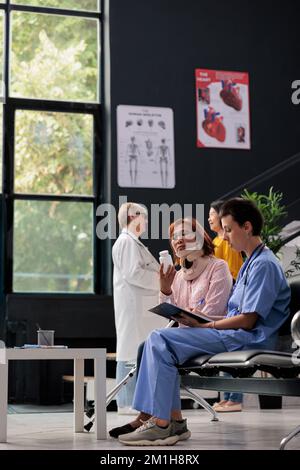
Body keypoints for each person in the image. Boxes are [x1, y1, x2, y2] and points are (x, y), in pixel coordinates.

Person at [116, 198, 290, 446]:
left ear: (247, 227)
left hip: (248, 338)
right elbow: (236, 315)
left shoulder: (263, 264)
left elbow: (249, 320)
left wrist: (206, 324)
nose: (225, 237)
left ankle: (162, 423)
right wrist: (201, 320)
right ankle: (165, 422)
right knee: (157, 342)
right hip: (234, 333)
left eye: (228, 230)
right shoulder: (249, 264)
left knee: (159, 339)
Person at [109, 217, 233, 437]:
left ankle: (158, 420)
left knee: (158, 340)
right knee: (144, 346)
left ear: (200, 237)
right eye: (174, 237)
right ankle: (166, 418)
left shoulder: (218, 267)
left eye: (185, 234)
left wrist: (185, 318)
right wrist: (165, 290)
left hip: (211, 333)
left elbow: (213, 314)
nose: (178, 240)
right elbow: (171, 314)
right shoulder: (178, 275)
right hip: (186, 336)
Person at [112, 202, 166, 415]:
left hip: (140, 309)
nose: (146, 222)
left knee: (136, 352)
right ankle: (127, 403)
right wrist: (159, 279)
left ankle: (134, 402)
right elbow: (134, 274)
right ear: (134, 217)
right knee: (130, 353)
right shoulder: (127, 242)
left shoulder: (133, 243)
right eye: (144, 218)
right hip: (135, 310)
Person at [208, 199, 244, 411]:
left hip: (229, 293)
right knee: (225, 348)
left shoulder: (224, 242)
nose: (210, 218)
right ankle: (229, 396)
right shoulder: (217, 240)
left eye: (212, 214)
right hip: (226, 292)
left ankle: (235, 398)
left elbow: (231, 271)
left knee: (230, 346)